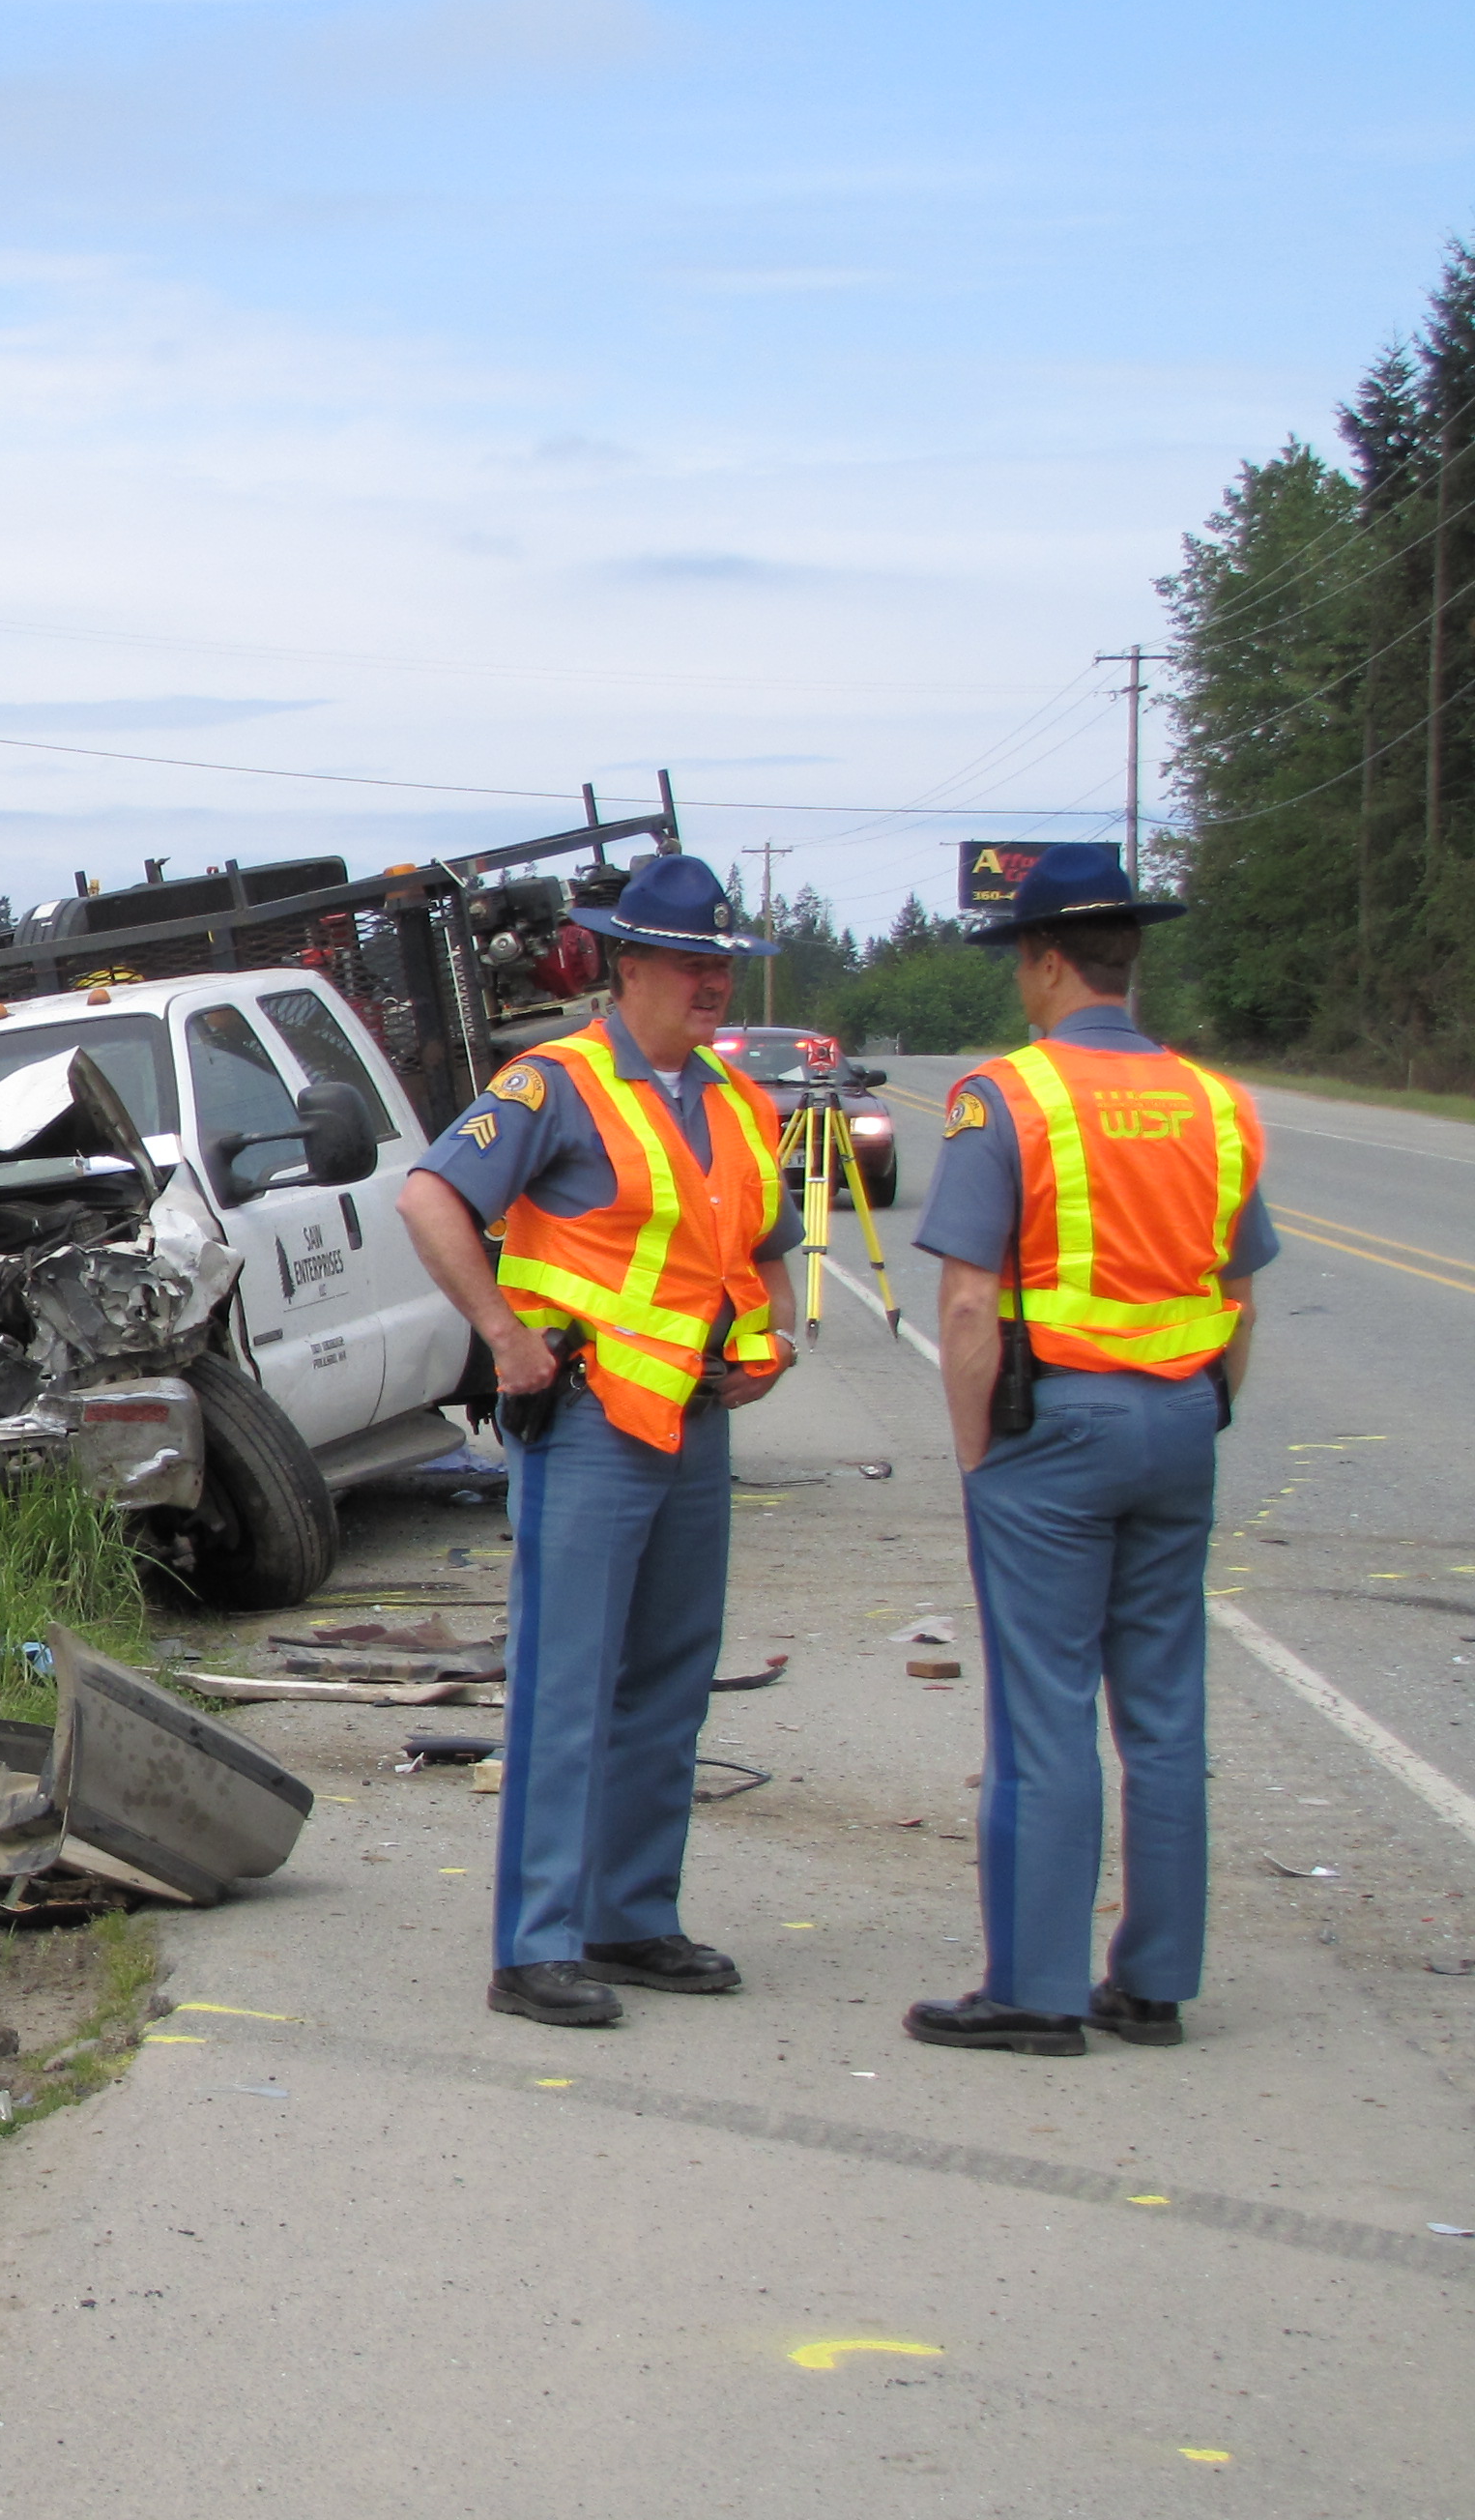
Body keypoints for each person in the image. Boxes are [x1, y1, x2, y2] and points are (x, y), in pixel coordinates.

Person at [396, 854, 803, 2029]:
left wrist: (765, 1346)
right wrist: (501, 1334)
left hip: (692, 1422)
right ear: (628, 966)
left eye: (723, 963)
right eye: (690, 962)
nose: (711, 983)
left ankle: (632, 1917)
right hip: (585, 1423)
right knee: (565, 1687)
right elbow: (431, 1197)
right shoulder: (556, 1085)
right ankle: (534, 1947)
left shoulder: (734, 1098)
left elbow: (763, 1241)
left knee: (670, 1679)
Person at [903, 854, 1271, 2056]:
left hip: (1052, 1430)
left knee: (1042, 1713)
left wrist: (976, 1460)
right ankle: (1153, 1983)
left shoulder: (1004, 1100)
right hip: (1179, 1420)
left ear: (1047, 959)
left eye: (1018, 956)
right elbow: (1239, 1300)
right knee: (1162, 1712)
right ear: (1129, 961)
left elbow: (967, 1307)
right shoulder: (1217, 1106)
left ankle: (1035, 1990)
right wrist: (1196, 1412)